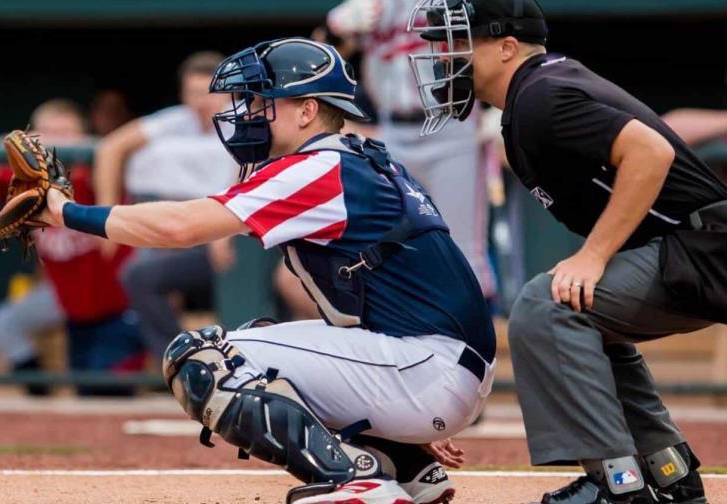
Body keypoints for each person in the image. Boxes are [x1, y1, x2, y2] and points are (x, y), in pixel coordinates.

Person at [36, 37, 495, 504]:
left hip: (426, 367)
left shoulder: (320, 167)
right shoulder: (363, 159)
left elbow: (177, 227)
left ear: (307, 110)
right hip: (435, 364)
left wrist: (64, 212)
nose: (251, 112)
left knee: (202, 358)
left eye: (264, 101)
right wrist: (408, 418)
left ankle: (354, 480)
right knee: (261, 339)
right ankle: (406, 464)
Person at [408, 1, 727, 503]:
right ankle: (667, 472)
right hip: (696, 246)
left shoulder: (541, 95)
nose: (447, 58)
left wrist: (594, 256)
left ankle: (616, 485)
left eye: (461, 44)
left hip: (705, 247)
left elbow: (651, 152)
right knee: (577, 306)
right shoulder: (534, 94)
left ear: (508, 47)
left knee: (546, 309)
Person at [324, 0, 497, 299]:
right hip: (392, 129)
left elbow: (499, 39)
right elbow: (324, 59)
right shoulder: (373, 4)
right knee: (387, 242)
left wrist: (498, 103)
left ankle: (476, 334)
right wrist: (333, 31)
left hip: (450, 125)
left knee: (462, 247)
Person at [0, 99, 144, 396]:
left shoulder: (101, 172)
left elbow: (118, 153)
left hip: (119, 306)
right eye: (48, 132)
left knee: (107, 395)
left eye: (66, 133)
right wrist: (20, 147)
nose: (57, 141)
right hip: (71, 305)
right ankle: (38, 394)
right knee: (6, 323)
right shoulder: (25, 186)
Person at [94, 51, 236, 361]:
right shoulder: (176, 120)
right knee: (139, 273)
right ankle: (183, 364)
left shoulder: (248, 123)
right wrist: (106, 213)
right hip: (171, 220)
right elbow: (110, 148)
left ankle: (209, 364)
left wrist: (226, 232)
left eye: (210, 93)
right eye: (193, 93)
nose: (201, 101)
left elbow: (254, 173)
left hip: (224, 228)